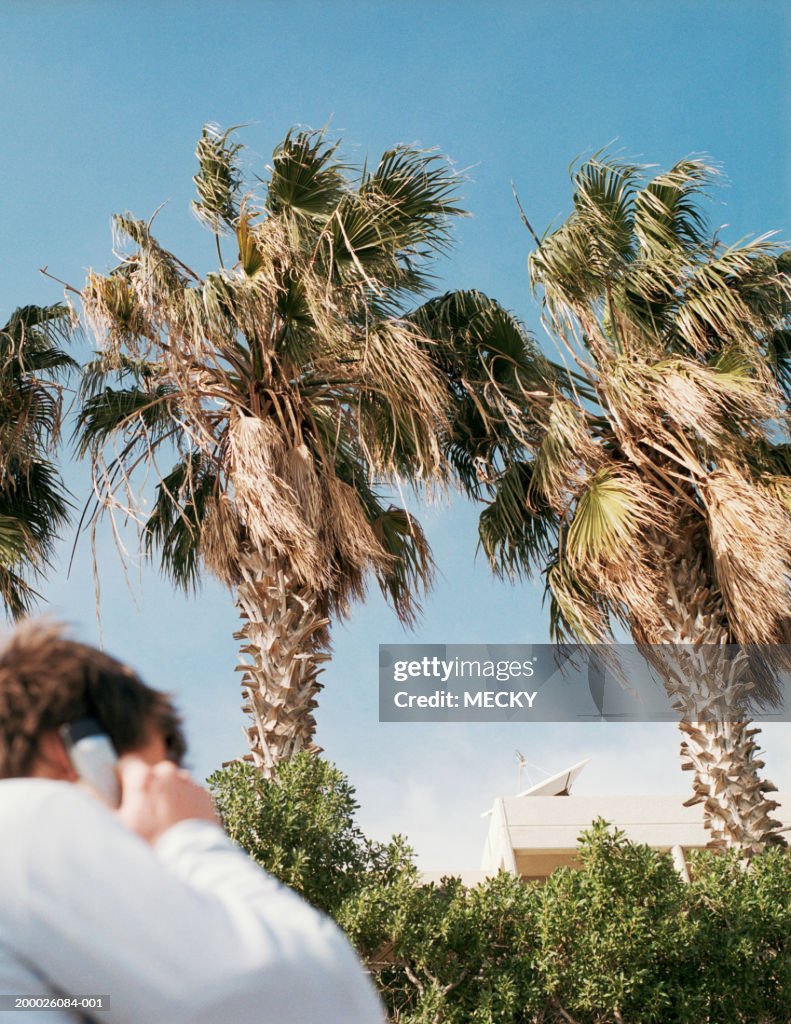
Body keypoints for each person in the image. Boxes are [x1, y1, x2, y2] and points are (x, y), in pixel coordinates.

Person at [0, 620, 385, 1024]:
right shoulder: (35, 815)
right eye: (152, 779)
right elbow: (321, 999)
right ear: (75, 752)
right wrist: (187, 835)